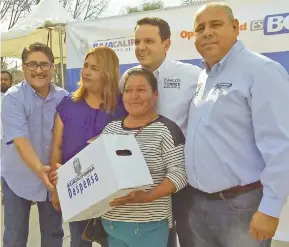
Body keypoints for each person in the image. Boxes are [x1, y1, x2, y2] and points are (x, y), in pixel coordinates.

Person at [183, 3, 289, 247]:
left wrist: (270, 209)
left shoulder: (262, 71)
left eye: (216, 25)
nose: (207, 32)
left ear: (236, 27)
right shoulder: (203, 77)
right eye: (200, 28)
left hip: (242, 207)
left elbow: (282, 146)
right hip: (198, 205)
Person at [119, 17, 201, 247]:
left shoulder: (191, 75)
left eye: (148, 40)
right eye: (137, 41)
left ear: (166, 44)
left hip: (180, 178)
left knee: (187, 238)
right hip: (141, 179)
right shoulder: (127, 77)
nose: (141, 47)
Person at [99, 68, 187, 247]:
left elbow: (180, 173)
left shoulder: (166, 129)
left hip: (149, 226)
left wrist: (147, 196)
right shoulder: (111, 129)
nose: (134, 96)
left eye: (141, 90)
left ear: (155, 94)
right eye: (129, 90)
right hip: (112, 224)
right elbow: (98, 167)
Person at [50, 46, 127, 247]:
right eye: (85, 66)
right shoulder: (68, 104)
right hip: (78, 190)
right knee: (78, 243)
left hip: (112, 193)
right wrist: (56, 190)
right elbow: (57, 147)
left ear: (108, 73)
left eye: (94, 67)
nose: (86, 71)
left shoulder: (122, 107)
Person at [1, 42, 67, 247]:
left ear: (53, 67)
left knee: (54, 233)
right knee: (15, 234)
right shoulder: (12, 98)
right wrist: (41, 171)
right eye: (32, 65)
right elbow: (20, 140)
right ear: (23, 67)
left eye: (44, 65)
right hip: (17, 178)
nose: (38, 70)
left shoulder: (64, 98)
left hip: (52, 179)